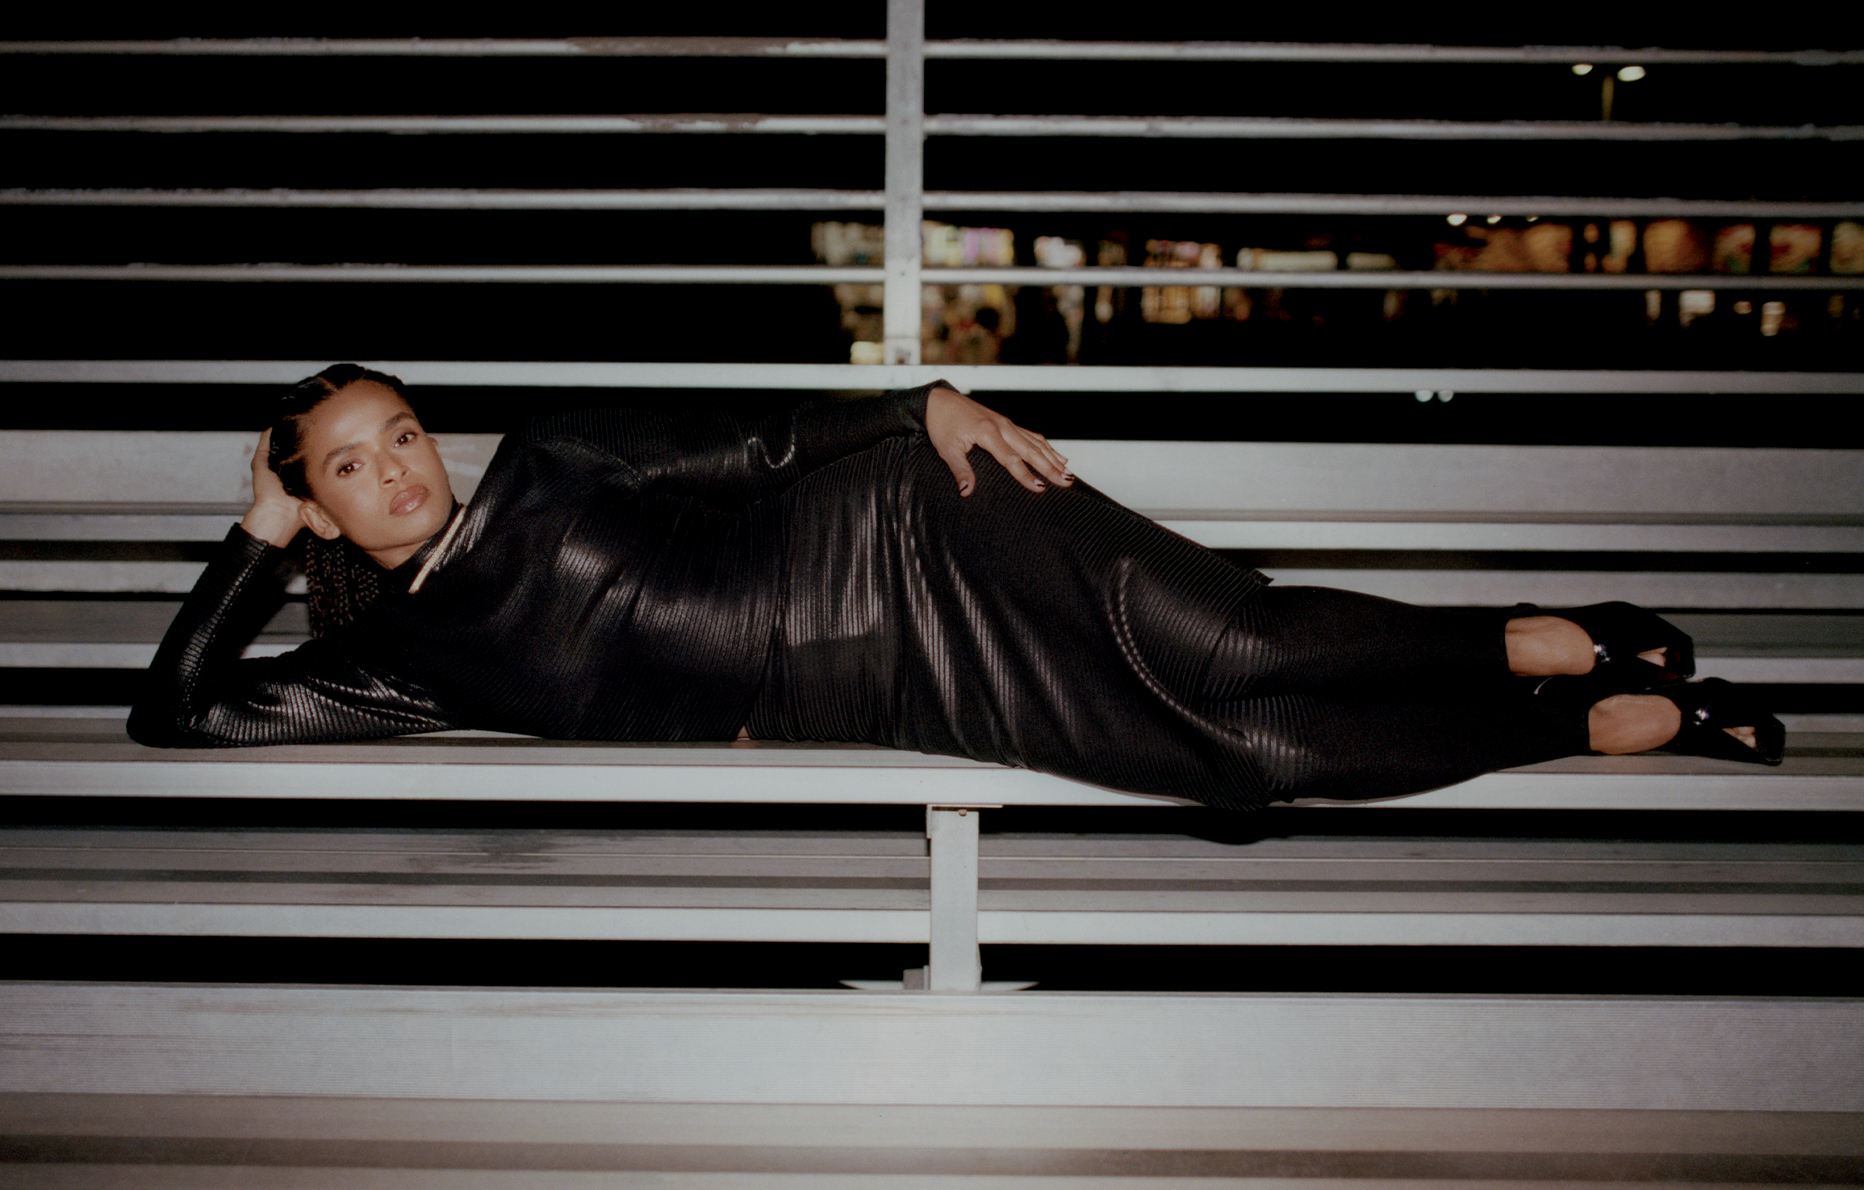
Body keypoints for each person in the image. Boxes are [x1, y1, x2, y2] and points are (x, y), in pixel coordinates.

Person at [128, 364, 1784, 809]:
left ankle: (1531, 635)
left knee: (1235, 636)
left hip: (915, 528)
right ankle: (1569, 721)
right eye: (347, 465)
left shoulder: (555, 457)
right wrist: (249, 538)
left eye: (401, 431)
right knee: (1238, 755)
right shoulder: (410, 660)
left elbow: (762, 445)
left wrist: (921, 405)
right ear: (319, 506)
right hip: (901, 683)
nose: (397, 468)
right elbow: (179, 713)